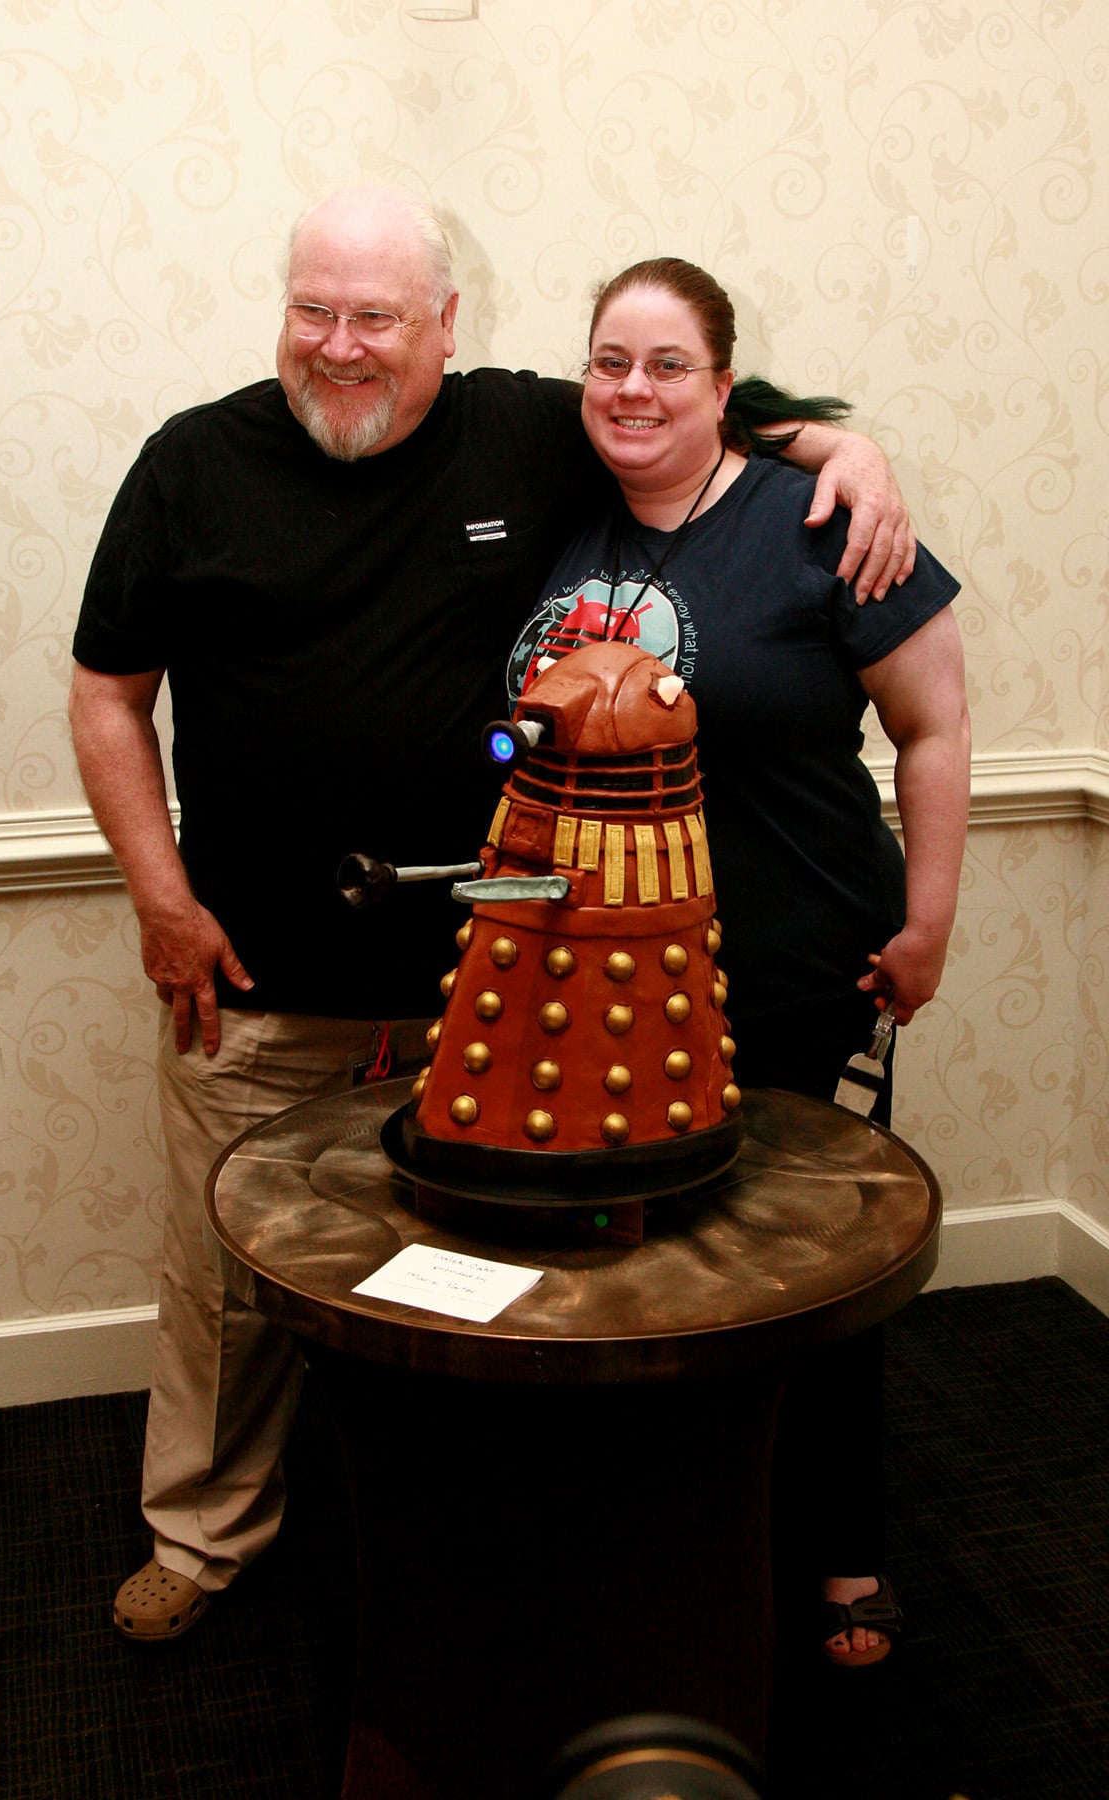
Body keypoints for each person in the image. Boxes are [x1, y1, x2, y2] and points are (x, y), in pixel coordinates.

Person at [68, 187, 920, 1643]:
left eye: (377, 317)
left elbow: (695, 410)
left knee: (506, 1296)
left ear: (444, 328)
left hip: (497, 981)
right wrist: (163, 900)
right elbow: (106, 695)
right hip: (261, 975)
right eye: (313, 311)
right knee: (227, 1283)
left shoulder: (524, 426)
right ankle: (199, 1538)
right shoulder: (191, 462)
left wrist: (849, 447)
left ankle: (461, 1543)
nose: (340, 346)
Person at [506, 256, 971, 1665]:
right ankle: (670, 1533)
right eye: (609, 362)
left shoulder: (817, 518)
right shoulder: (565, 516)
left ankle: (839, 1553)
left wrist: (930, 919)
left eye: (665, 365)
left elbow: (935, 728)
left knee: (805, 1266)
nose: (631, 389)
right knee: (639, 1268)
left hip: (792, 963)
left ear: (725, 387)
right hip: (599, 979)